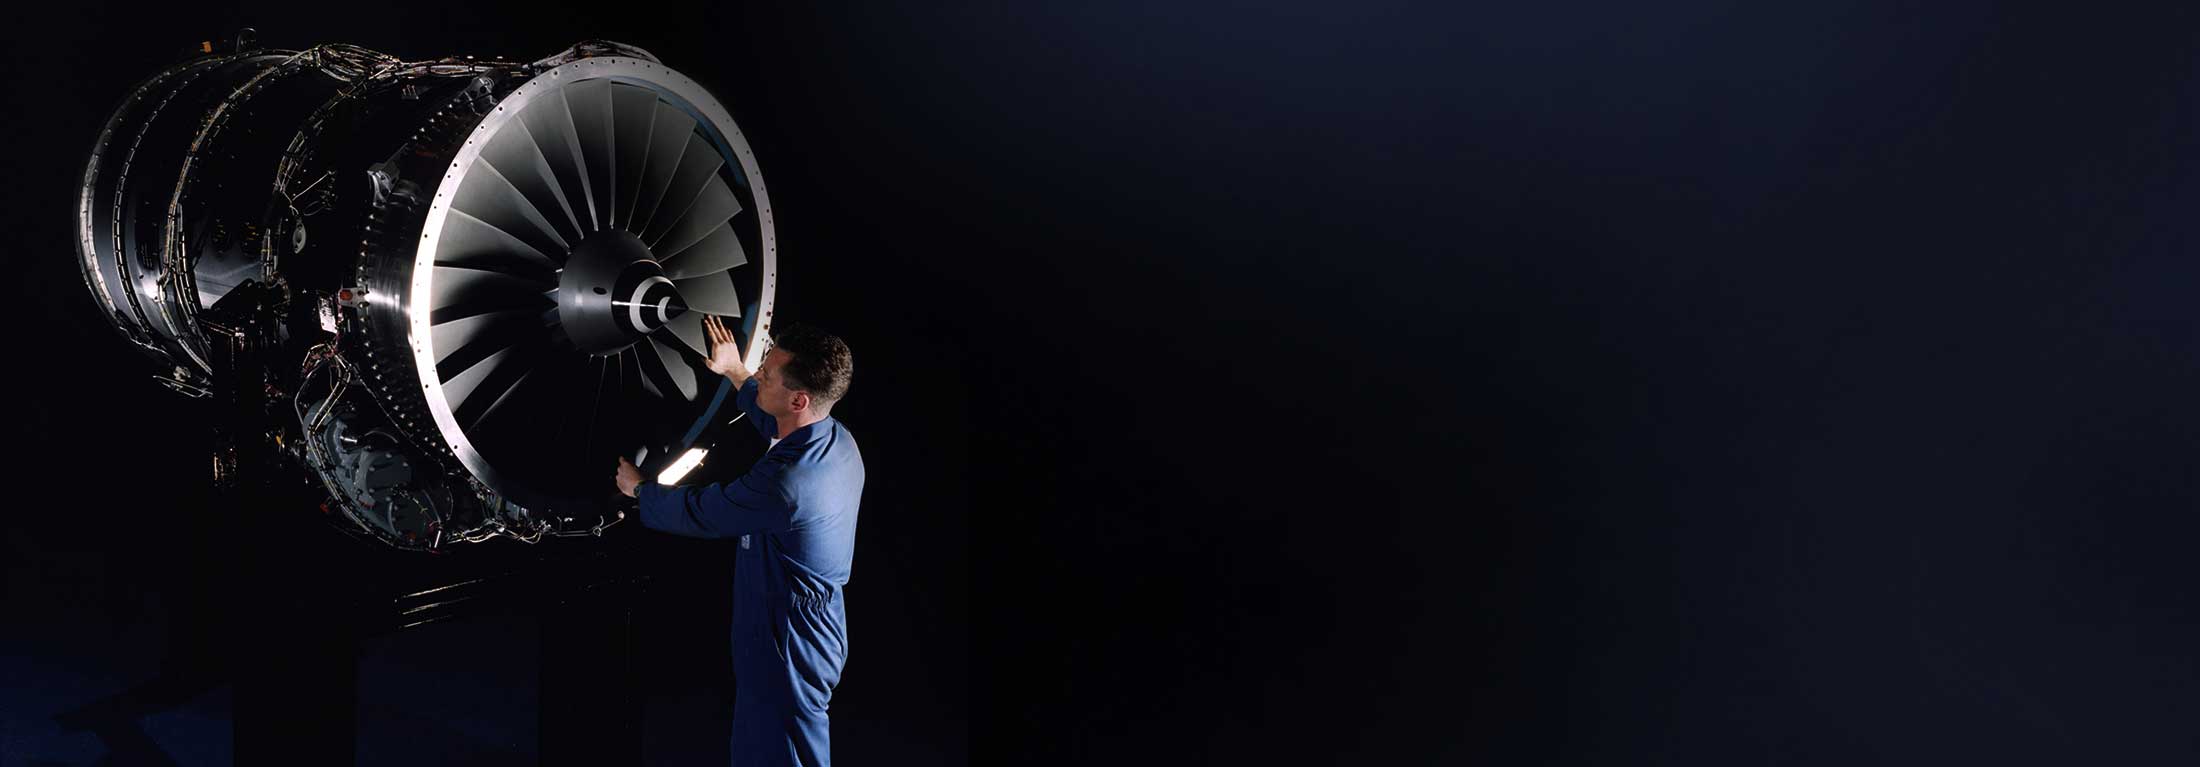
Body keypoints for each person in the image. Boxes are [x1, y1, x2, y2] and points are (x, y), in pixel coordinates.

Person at [614, 316, 863, 767]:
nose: (759, 374)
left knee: (785, 749)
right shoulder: (830, 438)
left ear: (799, 399)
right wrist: (735, 371)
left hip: (788, 633)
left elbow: (707, 511)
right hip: (795, 618)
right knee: (764, 741)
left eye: (767, 373)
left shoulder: (789, 484)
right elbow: (773, 421)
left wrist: (640, 491)